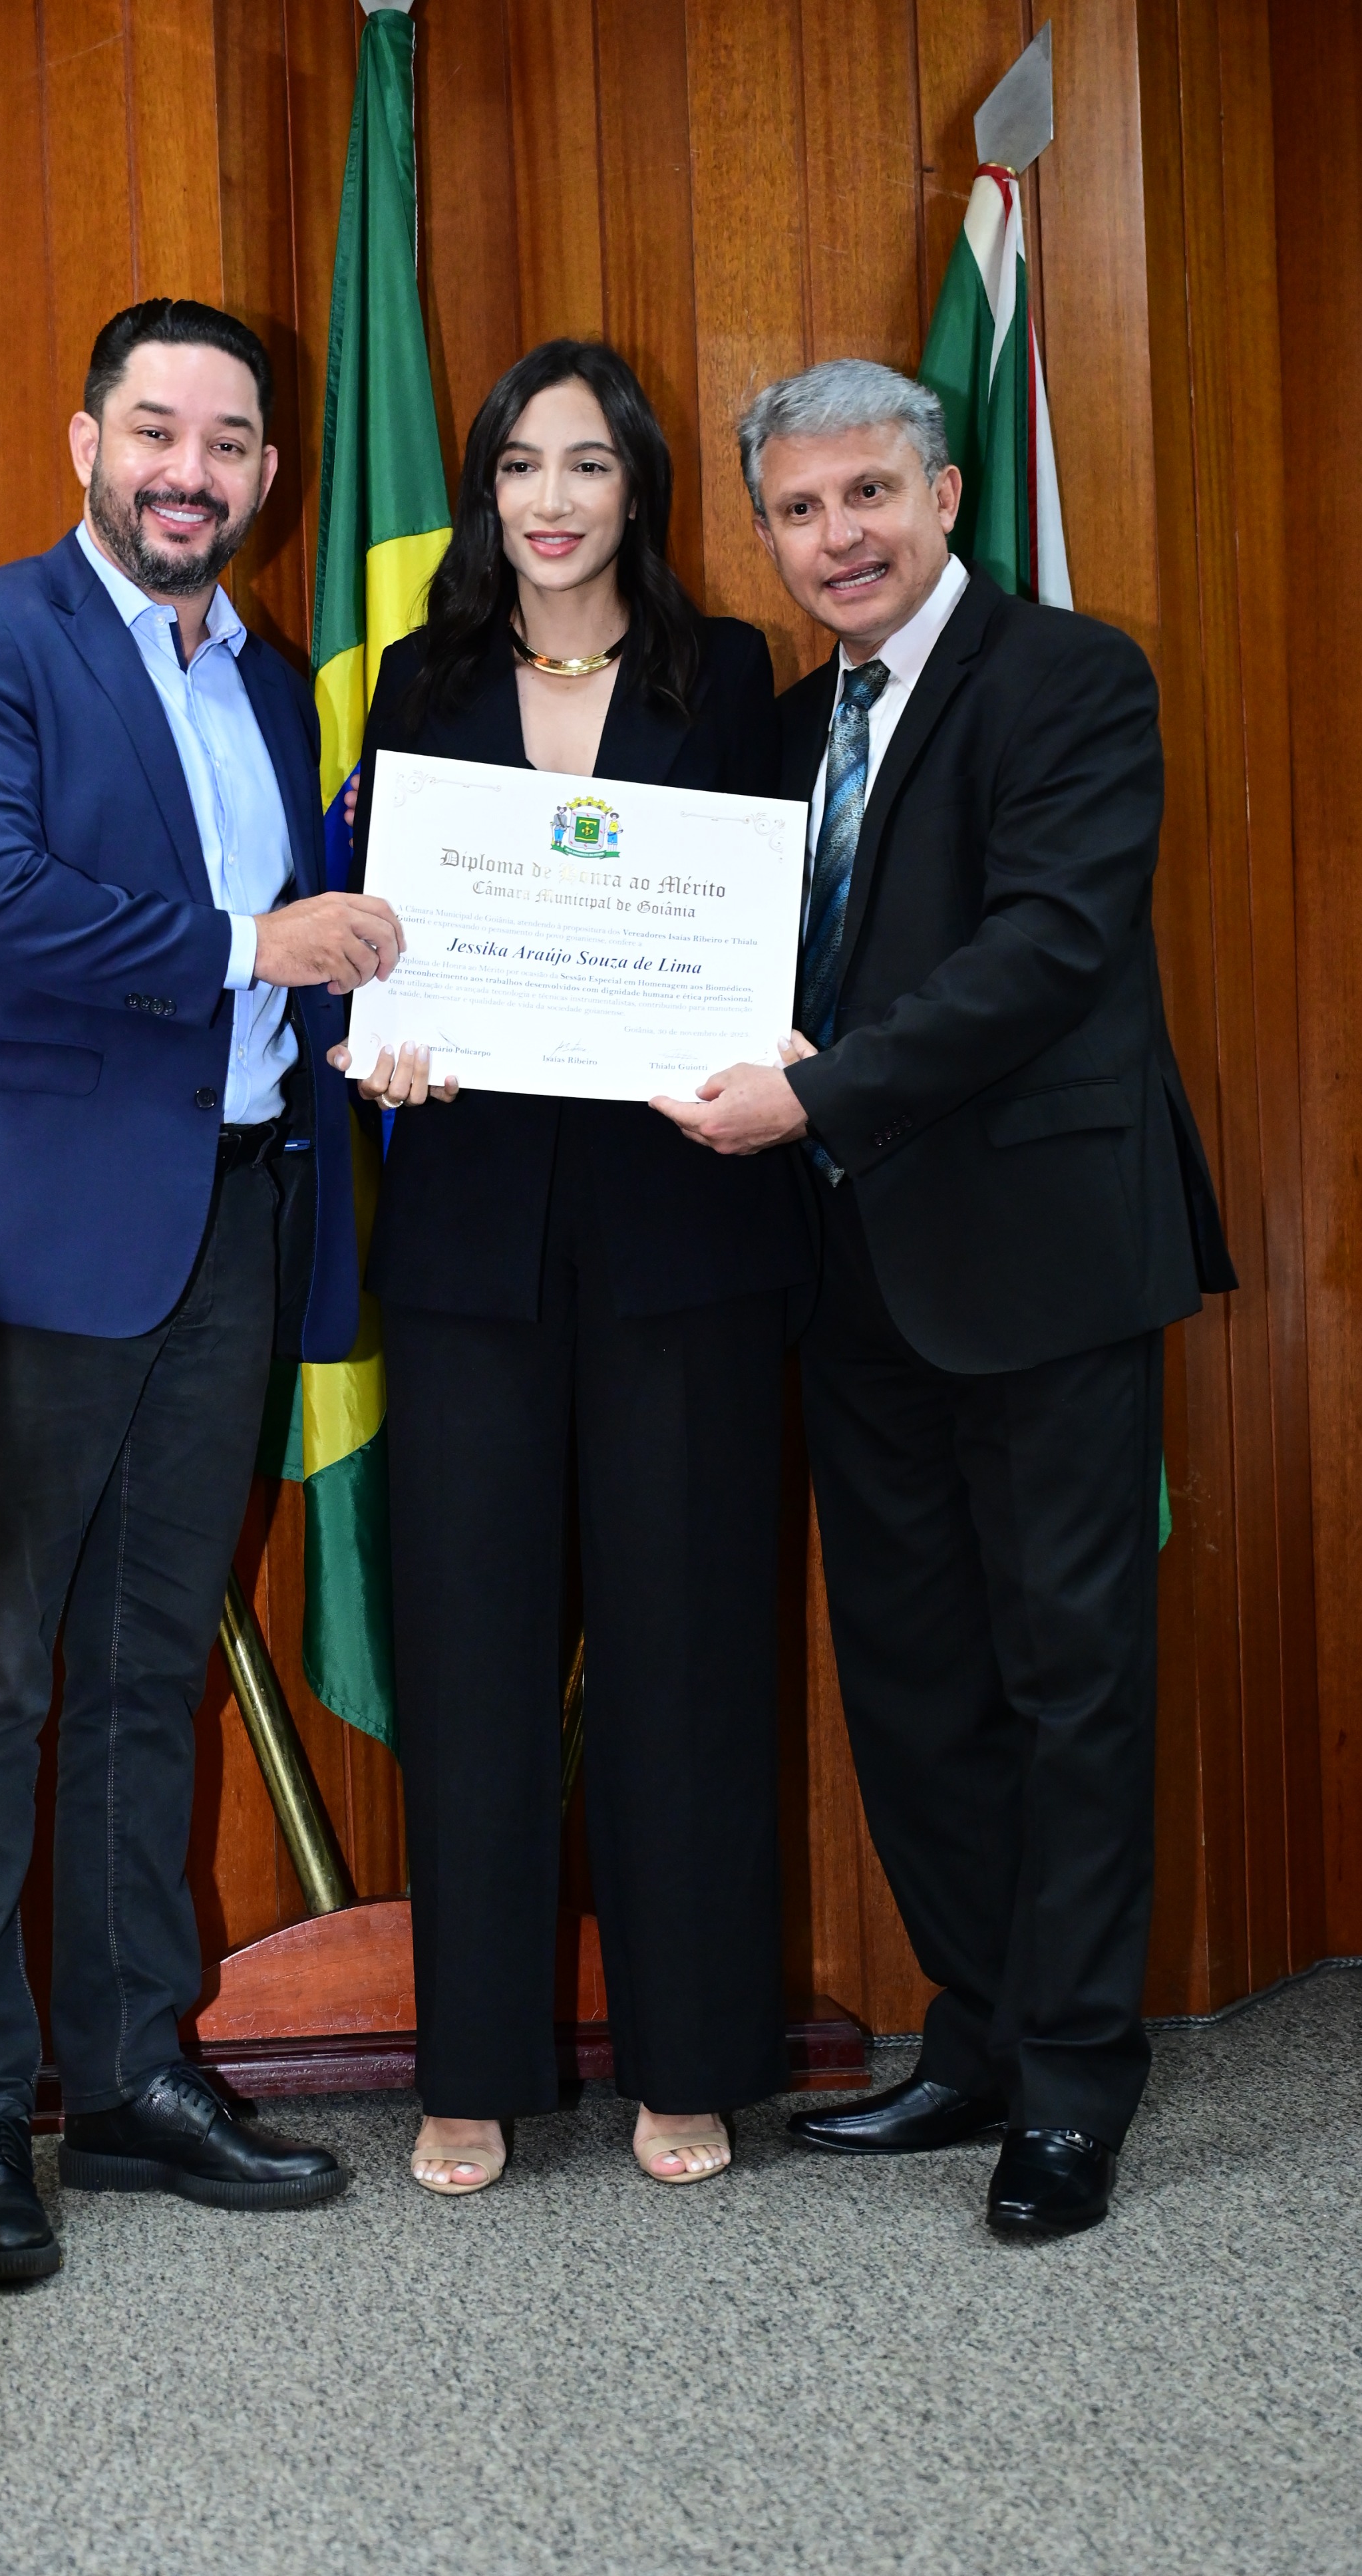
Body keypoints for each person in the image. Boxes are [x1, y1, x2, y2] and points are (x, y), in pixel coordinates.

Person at [657, 358, 1234, 2239]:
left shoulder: (1071, 679)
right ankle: (975, 2038)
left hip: (1042, 1263)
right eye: (798, 510)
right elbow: (710, 950)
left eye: (868, 496)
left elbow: (1047, 948)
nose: (837, 538)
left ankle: (1071, 2087)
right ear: (765, 532)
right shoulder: (785, 731)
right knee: (912, 1685)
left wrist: (819, 1097)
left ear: (944, 494)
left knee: (1069, 1680)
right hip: (845, 1274)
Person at [0, 299, 408, 2285]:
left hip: (232, 1225)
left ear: (266, 472)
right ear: (87, 440)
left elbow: (310, 958)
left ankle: (129, 2081)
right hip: (32, 1238)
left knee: (149, 1669)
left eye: (230, 441)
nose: (193, 471)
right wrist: (259, 943)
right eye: (158, 430)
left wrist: (384, 1017)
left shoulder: (266, 686)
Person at [331, 339, 814, 2196]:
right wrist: (387, 1038)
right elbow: (393, 937)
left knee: (685, 1654)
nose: (552, 498)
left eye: (589, 464)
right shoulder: (421, 678)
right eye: (523, 463)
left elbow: (773, 934)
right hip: (472, 1232)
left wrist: (773, 1043)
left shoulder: (728, 673)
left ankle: (687, 2059)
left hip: (687, 1228)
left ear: (638, 490)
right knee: (472, 1655)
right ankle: (470, 2066)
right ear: (485, 485)